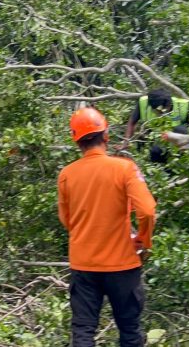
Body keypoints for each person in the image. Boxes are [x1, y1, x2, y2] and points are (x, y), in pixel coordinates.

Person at [58, 107, 156, 346]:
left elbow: (67, 220)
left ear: (77, 141)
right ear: (106, 135)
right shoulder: (124, 168)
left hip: (84, 265)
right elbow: (147, 210)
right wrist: (143, 240)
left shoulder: (67, 175)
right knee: (130, 332)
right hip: (123, 265)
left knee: (83, 333)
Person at [118, 88, 189, 163]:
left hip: (175, 142)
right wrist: (126, 142)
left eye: (164, 110)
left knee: (180, 129)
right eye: (158, 111)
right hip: (154, 140)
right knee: (144, 137)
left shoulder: (182, 105)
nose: (162, 114)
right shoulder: (144, 103)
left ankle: (179, 161)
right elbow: (132, 122)